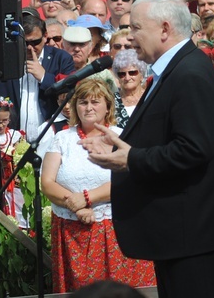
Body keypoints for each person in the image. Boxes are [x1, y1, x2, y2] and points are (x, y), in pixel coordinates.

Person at [79, 0, 214, 298]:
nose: (130, 37)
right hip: (178, 229)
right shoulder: (176, 69)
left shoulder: (189, 73)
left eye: (135, 28)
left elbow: (193, 149)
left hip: (190, 229)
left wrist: (130, 158)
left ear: (163, 29)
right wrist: (119, 142)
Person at [40, 78, 155, 293]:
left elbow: (131, 181)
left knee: (120, 292)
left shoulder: (121, 136)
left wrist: (87, 197)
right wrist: (78, 207)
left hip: (116, 229)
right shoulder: (63, 138)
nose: (89, 107)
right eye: (83, 102)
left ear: (108, 106)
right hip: (72, 230)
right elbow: (47, 183)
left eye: (95, 102)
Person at [0, 15, 75, 132]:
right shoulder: (4, 61)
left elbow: (71, 95)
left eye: (35, 42)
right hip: (11, 138)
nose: (30, 47)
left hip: (51, 135)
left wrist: (44, 77)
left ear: (45, 36)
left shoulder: (61, 58)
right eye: (25, 43)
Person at [111, 49, 147, 128]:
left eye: (132, 73)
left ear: (141, 74)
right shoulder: (111, 101)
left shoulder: (150, 96)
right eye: (122, 74)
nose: (127, 78)